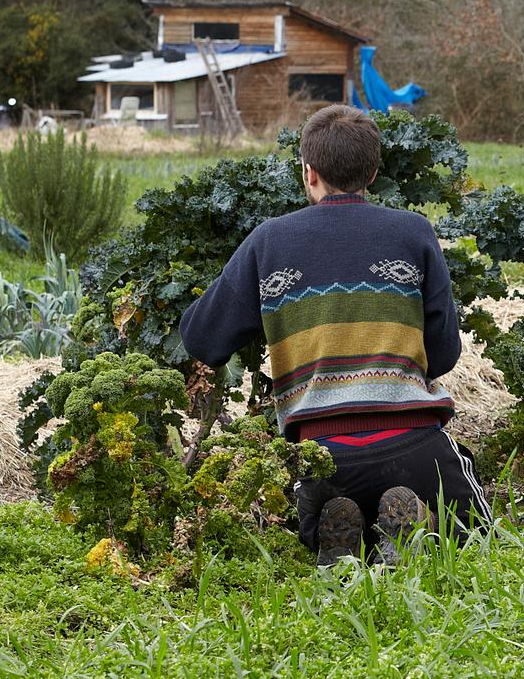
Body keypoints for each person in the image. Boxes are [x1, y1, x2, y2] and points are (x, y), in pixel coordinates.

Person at [179, 104, 491, 565]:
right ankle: (408, 527)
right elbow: (443, 354)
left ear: (309, 173)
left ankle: (345, 537)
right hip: (413, 443)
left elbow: (201, 338)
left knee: (327, 517)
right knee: (477, 539)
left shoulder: (269, 241)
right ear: (374, 170)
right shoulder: (413, 232)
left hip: (323, 457)